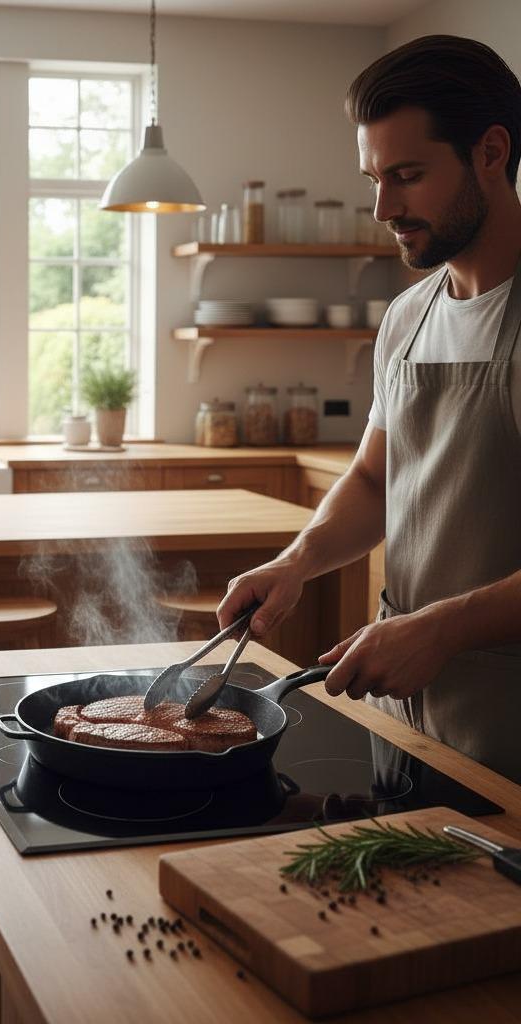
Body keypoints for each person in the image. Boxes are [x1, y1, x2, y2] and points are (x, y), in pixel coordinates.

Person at [217, 35, 521, 784]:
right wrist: (298, 562)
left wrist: (443, 628)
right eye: (375, 178)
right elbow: (374, 481)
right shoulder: (409, 315)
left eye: (408, 176)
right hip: (407, 711)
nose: (384, 207)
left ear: (490, 151)